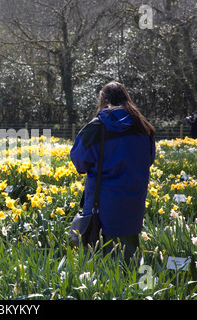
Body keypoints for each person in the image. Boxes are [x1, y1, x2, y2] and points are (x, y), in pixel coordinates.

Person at [70, 81, 156, 264]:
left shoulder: (96, 127)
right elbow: (148, 161)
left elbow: (80, 163)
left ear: (103, 99)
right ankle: (134, 291)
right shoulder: (143, 128)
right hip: (132, 205)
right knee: (129, 261)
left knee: (98, 264)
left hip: (101, 206)